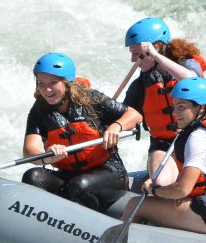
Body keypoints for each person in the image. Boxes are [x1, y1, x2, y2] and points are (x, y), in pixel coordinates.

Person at [122, 77, 206, 234]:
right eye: (174, 106)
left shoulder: (199, 137)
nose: (175, 113)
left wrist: (154, 190)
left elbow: (182, 189)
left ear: (201, 108)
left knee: (135, 204)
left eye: (181, 107)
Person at [22, 52, 142, 211]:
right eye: (41, 83)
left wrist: (116, 126)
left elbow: (135, 115)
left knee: (80, 185)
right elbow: (29, 151)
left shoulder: (91, 98)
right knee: (32, 177)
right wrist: (48, 157)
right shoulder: (39, 111)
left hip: (109, 171)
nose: (47, 89)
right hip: (68, 175)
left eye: (53, 82)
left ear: (66, 83)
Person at [122, 17, 206, 187]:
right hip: (163, 144)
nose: (133, 60)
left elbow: (191, 80)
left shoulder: (188, 65)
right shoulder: (140, 86)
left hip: (196, 137)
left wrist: (154, 55)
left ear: (157, 47)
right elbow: (124, 115)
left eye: (137, 53)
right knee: (161, 182)